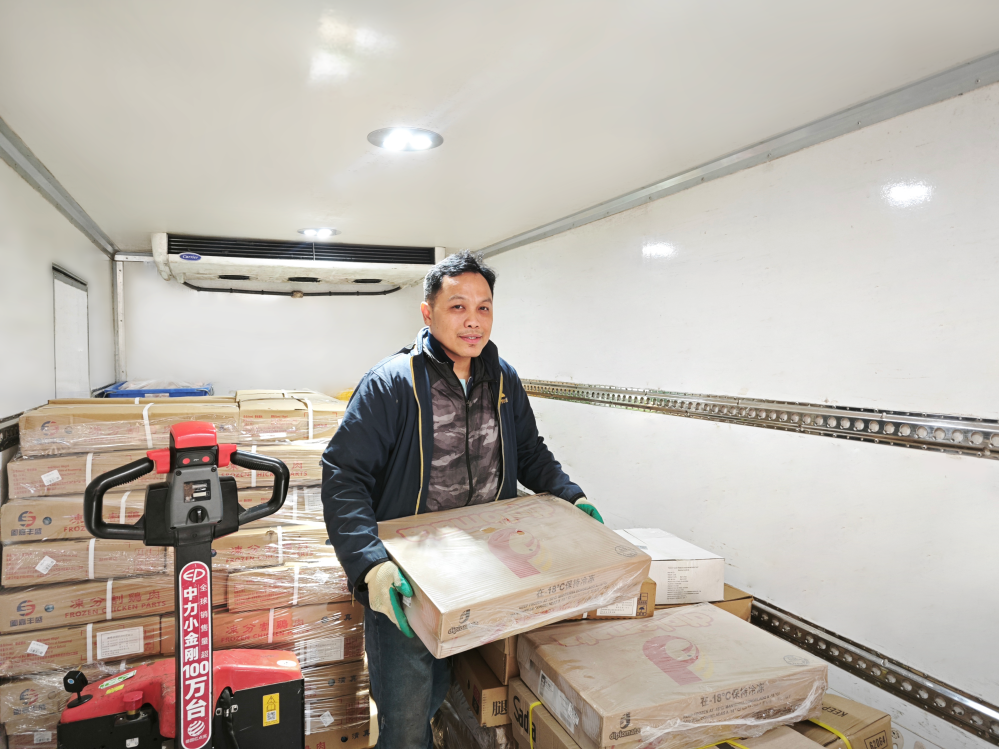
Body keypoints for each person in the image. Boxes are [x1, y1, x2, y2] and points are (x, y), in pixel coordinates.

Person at [321, 250, 602, 749]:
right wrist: (369, 565)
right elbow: (344, 475)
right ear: (427, 313)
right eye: (458, 307)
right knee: (405, 724)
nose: (473, 321)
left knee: (442, 693)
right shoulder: (393, 383)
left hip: (481, 571)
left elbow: (530, 452)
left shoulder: (502, 379)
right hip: (409, 577)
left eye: (484, 308)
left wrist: (570, 495)